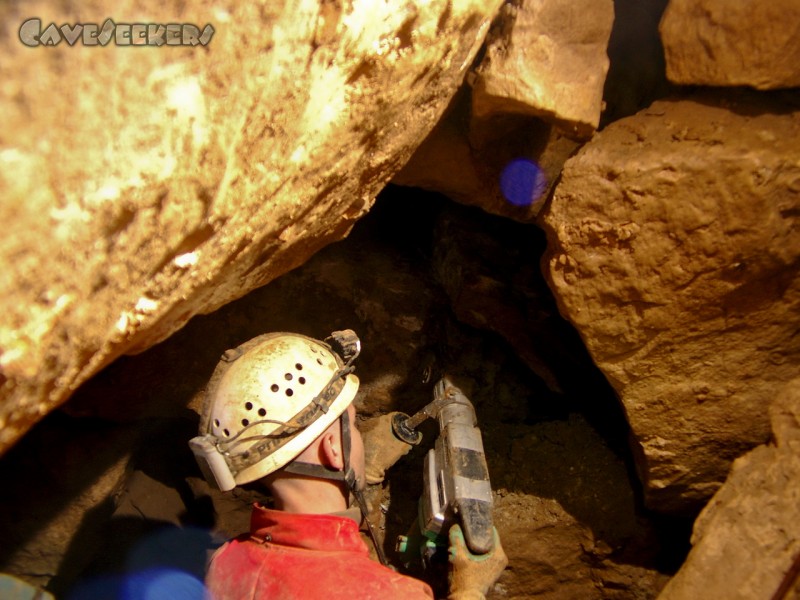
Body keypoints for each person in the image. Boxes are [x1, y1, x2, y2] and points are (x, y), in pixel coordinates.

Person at [189, 330, 507, 599]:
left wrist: (360, 475)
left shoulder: (225, 561)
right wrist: (470, 590)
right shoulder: (392, 593)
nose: (359, 435)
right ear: (332, 449)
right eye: (354, 426)